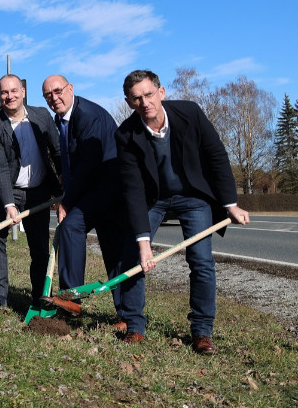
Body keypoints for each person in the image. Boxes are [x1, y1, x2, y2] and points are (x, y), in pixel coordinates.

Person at [116, 69, 249, 353]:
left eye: (149, 94)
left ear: (161, 93)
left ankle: (202, 332)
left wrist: (231, 204)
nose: (145, 103)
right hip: (154, 200)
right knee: (133, 255)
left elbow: (217, 156)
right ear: (129, 102)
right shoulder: (125, 135)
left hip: (193, 196)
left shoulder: (190, 114)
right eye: (136, 98)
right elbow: (133, 190)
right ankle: (135, 326)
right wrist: (143, 243)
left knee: (201, 259)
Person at [39, 74, 140, 329]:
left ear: (70, 89)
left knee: (75, 228)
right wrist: (65, 175)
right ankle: (120, 315)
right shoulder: (62, 118)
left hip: (110, 187)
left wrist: (68, 201)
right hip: (95, 188)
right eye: (48, 95)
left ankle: (74, 297)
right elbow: (72, 156)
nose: (54, 98)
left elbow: (89, 163)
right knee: (111, 247)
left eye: (58, 91)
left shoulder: (88, 116)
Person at [0, 75, 61, 306]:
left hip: (38, 191)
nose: (10, 96)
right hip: (5, 191)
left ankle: (40, 296)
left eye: (14, 91)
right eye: (4, 93)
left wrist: (63, 182)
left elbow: (56, 150)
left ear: (23, 92)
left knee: (39, 246)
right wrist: (8, 204)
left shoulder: (42, 117)